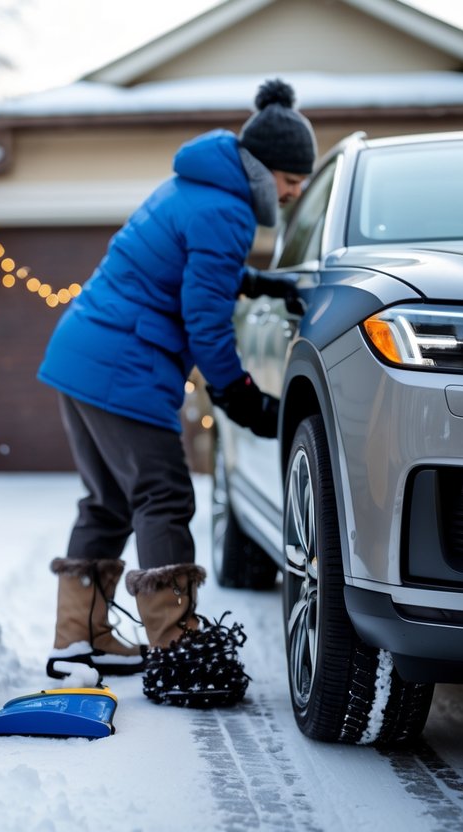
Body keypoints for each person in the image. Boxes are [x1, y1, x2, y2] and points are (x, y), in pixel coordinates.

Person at [36, 78, 317, 707]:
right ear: (263, 169)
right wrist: (237, 394)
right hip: (122, 365)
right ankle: (176, 647)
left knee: (109, 503)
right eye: (292, 178)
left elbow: (185, 266)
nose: (295, 191)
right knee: (162, 493)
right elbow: (204, 320)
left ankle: (78, 642)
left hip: (82, 355)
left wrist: (256, 284)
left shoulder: (194, 187)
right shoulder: (227, 211)